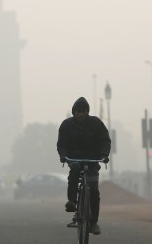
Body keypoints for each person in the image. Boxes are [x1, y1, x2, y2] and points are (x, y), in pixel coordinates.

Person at [57, 97, 111, 235]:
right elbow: (62, 144)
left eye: (84, 111)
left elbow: (105, 140)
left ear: (88, 112)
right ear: (74, 112)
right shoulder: (66, 125)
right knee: (74, 169)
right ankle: (72, 202)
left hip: (92, 161)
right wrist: (63, 156)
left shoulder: (96, 124)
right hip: (74, 159)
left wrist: (104, 155)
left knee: (93, 190)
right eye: (78, 111)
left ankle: (93, 223)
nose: (81, 114)